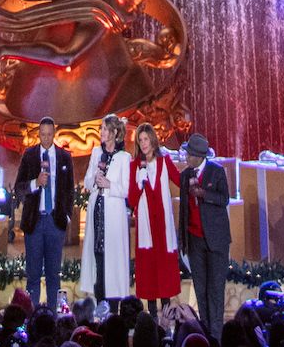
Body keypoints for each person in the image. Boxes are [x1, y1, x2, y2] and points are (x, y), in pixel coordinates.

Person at [14, 113, 74, 314]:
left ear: (54, 134)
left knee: (53, 274)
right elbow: (19, 188)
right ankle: (32, 318)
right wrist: (35, 183)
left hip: (55, 222)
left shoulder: (65, 157)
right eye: (43, 134)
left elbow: (69, 190)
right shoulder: (29, 156)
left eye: (49, 134)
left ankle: (52, 318)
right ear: (38, 134)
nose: (46, 138)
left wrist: (66, 216)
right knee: (33, 274)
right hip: (35, 221)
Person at [177, 131, 231, 345]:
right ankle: (206, 334)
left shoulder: (216, 172)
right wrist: (183, 239)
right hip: (195, 240)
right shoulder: (184, 176)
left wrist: (204, 195)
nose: (186, 158)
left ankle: (217, 337)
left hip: (216, 241)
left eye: (189, 154)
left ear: (199, 156)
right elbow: (183, 209)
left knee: (215, 289)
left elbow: (224, 198)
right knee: (201, 288)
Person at [125, 122, 182, 308]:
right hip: (146, 230)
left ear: (153, 140)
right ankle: (152, 319)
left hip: (163, 229)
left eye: (146, 139)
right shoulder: (134, 166)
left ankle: (165, 323)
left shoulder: (164, 162)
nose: (143, 143)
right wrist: (139, 183)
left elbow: (181, 181)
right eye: (140, 140)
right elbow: (132, 200)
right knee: (149, 275)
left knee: (164, 279)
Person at [79, 114, 131, 305]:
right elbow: (86, 182)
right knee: (98, 256)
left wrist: (110, 184)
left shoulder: (124, 158)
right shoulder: (95, 153)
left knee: (112, 260)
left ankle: (114, 305)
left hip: (113, 215)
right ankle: (100, 302)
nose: (101, 132)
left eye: (105, 129)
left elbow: (126, 189)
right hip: (97, 212)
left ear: (115, 132)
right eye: (101, 128)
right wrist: (95, 177)